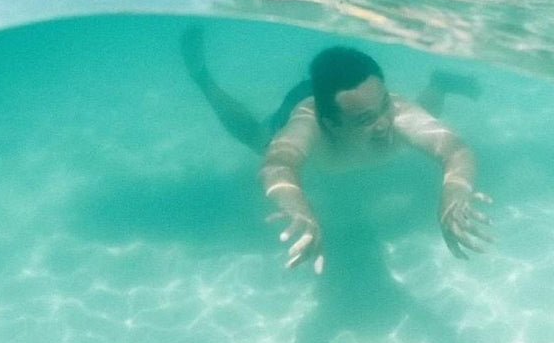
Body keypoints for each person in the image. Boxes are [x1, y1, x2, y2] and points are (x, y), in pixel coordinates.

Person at [180, 29, 492, 275]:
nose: (385, 124)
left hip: (348, 104)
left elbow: (456, 150)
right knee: (255, 138)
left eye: (385, 105)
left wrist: (453, 196)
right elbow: (278, 165)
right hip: (306, 103)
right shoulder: (309, 124)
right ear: (329, 123)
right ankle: (202, 77)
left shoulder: (396, 113)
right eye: (367, 120)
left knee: (422, 114)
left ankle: (439, 83)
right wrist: (299, 209)